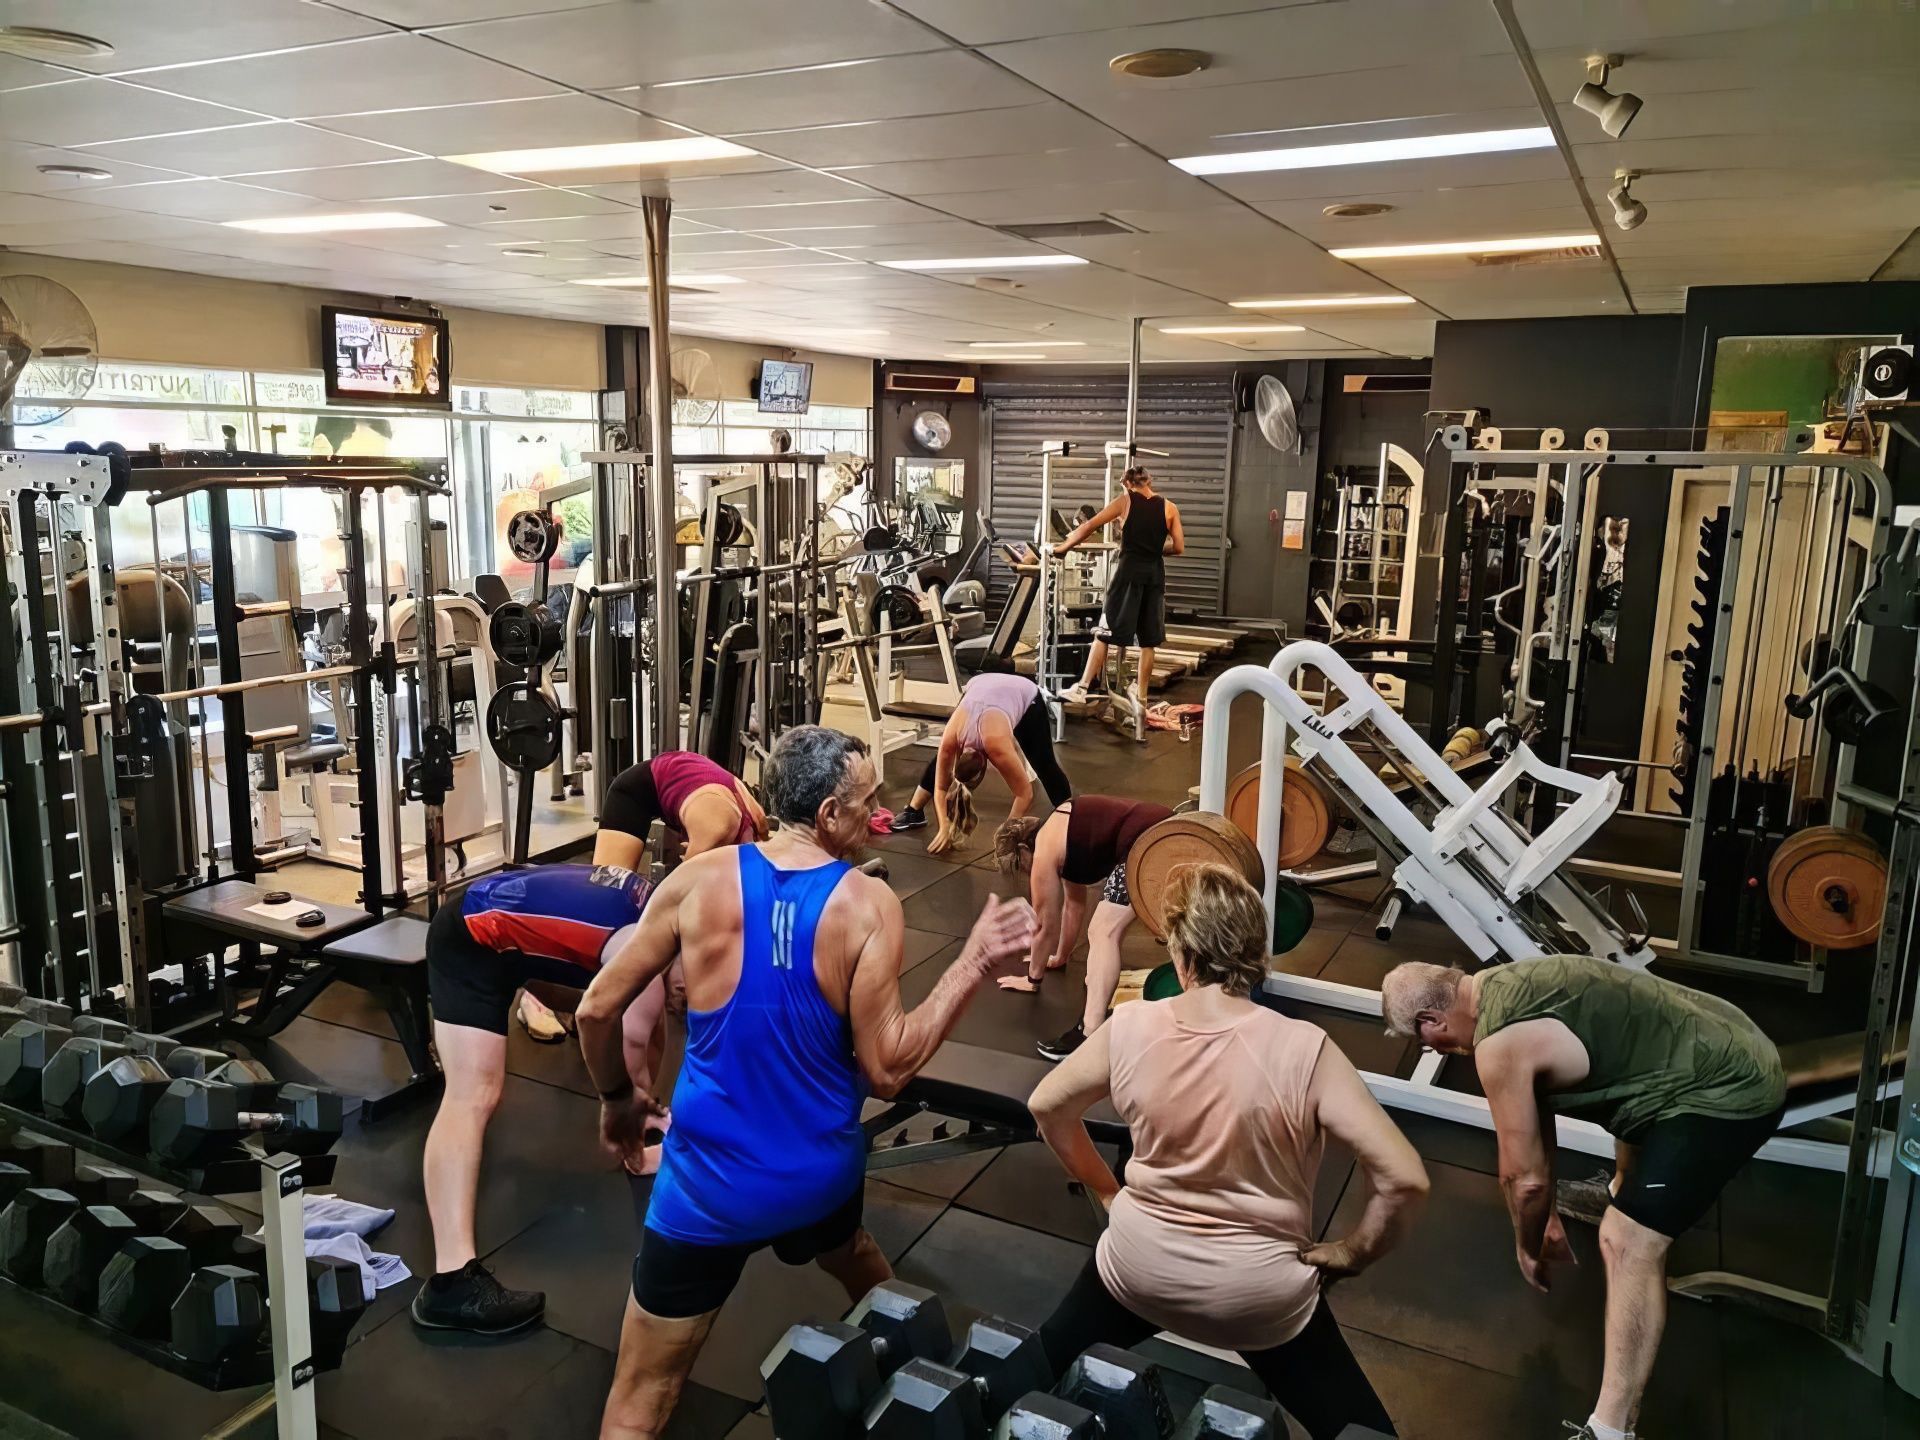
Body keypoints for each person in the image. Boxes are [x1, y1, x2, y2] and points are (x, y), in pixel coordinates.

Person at [574, 726, 1037, 1440]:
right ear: (827, 814)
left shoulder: (694, 881)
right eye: (866, 802)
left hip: (708, 1192)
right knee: (849, 1250)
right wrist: (971, 963)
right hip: (816, 1180)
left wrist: (617, 1099)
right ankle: (928, 1369)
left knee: (640, 1400)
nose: (878, 813)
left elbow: (595, 1010)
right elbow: (888, 1069)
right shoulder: (867, 904)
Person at [1027, 864, 1425, 1439]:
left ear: (1180, 952)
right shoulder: (1305, 1048)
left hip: (1137, 1269)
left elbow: (1047, 1107)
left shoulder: (1128, 1024)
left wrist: (1108, 1191)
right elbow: (1404, 1178)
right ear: (1256, 951)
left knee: (1030, 1370)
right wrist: (1353, 1252)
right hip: (1258, 1297)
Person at [1380, 955, 1788, 1440]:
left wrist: (1527, 1243)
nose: (1430, 1049)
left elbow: (1523, 1179)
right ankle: (1621, 1190)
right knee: (1625, 1091)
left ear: (1432, 1021)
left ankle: (1611, 1430)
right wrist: (1546, 1209)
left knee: (1626, 1241)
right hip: (1725, 1038)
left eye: (1422, 1041)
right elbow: (1535, 1125)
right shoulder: (1501, 983)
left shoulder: (1498, 1046)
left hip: (1730, 1088)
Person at [413, 862, 672, 1335]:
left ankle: (641, 1126)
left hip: (516, 931)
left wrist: (647, 1109)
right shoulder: (647, 958)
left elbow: (651, 1030)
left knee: (635, 1012)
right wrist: (632, 1133)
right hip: (470, 938)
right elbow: (629, 1045)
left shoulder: (669, 915)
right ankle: (451, 1285)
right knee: (473, 1093)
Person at [516, 751, 765, 1044]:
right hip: (635, 792)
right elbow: (672, 903)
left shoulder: (758, 828)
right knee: (601, 903)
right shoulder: (719, 829)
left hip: (689, 787)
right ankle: (536, 995)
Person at [991, 795, 1171, 1062]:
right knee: (1108, 926)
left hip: (1148, 842)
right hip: (1164, 829)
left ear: (1023, 847)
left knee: (1103, 931)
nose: (1026, 871)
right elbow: (1073, 907)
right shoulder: (1063, 833)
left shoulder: (1044, 849)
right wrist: (1060, 957)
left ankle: (1090, 1031)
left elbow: (1044, 925)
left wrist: (1032, 979)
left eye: (1021, 863)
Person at [886, 670, 1073, 854]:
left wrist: (1006, 834)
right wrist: (944, 827)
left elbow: (1024, 794)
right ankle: (914, 810)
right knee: (941, 761)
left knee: (1044, 764)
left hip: (1024, 692)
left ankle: (1071, 819)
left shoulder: (996, 746)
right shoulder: (952, 736)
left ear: (987, 764)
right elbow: (941, 787)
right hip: (980, 686)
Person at [1054, 467, 1184, 711]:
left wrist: (1062, 548)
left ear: (1127, 483)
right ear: (1149, 481)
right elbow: (1178, 547)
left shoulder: (1125, 501)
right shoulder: (1170, 508)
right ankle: (1142, 699)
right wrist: (1153, 550)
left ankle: (1081, 689)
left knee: (1104, 632)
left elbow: (1089, 526)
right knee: (1148, 642)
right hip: (1154, 576)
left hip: (1128, 575)